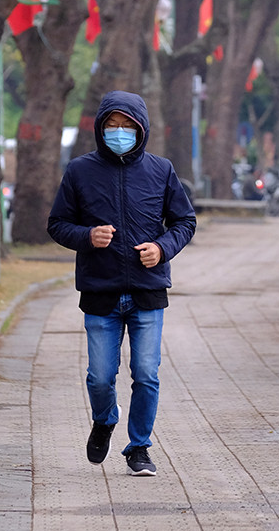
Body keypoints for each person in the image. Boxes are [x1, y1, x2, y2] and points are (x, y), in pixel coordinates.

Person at [47, 90, 196, 477]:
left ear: (141, 129)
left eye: (127, 126)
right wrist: (87, 237)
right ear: (99, 128)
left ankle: (139, 448)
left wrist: (162, 250)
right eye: (111, 126)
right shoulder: (79, 171)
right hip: (100, 292)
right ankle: (104, 420)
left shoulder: (161, 170)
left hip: (147, 292)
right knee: (100, 376)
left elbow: (184, 221)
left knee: (146, 374)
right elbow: (57, 224)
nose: (119, 133)